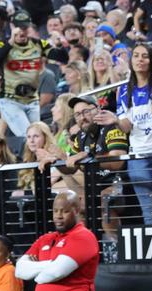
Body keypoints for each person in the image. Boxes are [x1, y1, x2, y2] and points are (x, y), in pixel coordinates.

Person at [95, 43, 152, 250]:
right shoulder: (124, 89)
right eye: (136, 55)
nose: (140, 59)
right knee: (149, 209)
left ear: (151, 61)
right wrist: (115, 120)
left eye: (145, 56)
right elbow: (127, 126)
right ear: (131, 60)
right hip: (140, 155)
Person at [60, 95, 129, 244]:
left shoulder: (112, 127)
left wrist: (88, 157)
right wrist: (56, 160)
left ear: (98, 109)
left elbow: (117, 162)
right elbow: (72, 167)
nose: (82, 118)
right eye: (77, 114)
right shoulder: (80, 136)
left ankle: (115, 249)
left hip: (119, 184)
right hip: (94, 187)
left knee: (105, 201)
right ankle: (83, 248)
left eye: (86, 112)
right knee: (76, 206)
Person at [0, 10, 50, 138]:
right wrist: (12, 41)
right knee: (27, 135)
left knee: (38, 135)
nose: (22, 30)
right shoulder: (2, 43)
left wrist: (59, 44)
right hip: (11, 99)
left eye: (25, 27)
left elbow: (62, 57)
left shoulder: (37, 44)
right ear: (12, 26)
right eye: (19, 26)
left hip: (32, 99)